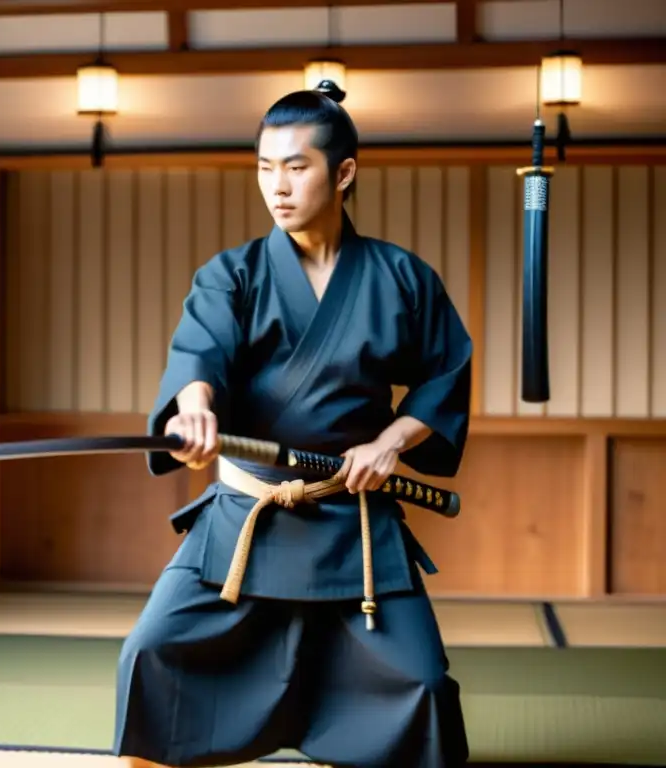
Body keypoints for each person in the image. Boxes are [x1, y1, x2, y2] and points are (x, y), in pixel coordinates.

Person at [111, 81, 473, 768]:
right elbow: (200, 354)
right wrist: (194, 409)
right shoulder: (233, 275)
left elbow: (445, 372)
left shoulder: (401, 278)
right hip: (249, 517)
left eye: (295, 166)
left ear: (343, 173)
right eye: (263, 167)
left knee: (423, 683)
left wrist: (391, 441)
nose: (276, 186)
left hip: (352, 522)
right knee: (150, 652)